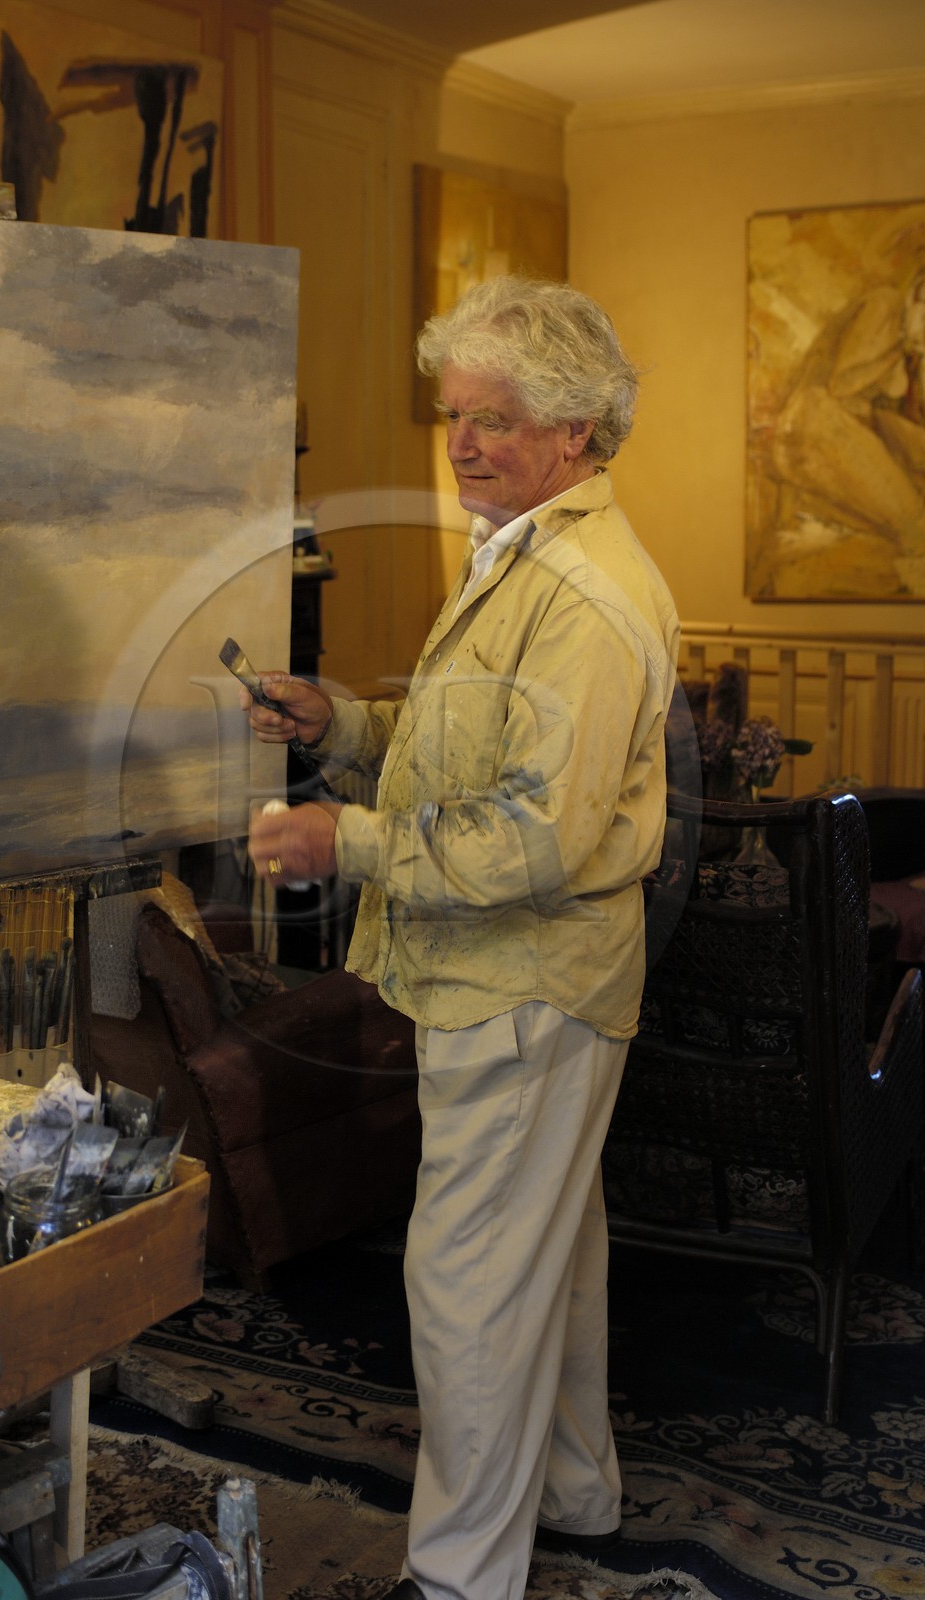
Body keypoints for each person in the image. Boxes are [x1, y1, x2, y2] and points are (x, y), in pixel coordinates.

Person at [242, 276, 680, 1600]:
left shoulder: (590, 594)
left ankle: (456, 1577)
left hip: (525, 978)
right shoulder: (524, 555)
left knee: (468, 1283)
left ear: (572, 431)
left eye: (492, 420)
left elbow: (531, 841)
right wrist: (345, 729)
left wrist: (346, 843)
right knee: (549, 1251)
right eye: (454, 416)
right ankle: (574, 1492)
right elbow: (464, 744)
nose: (463, 445)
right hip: (516, 979)